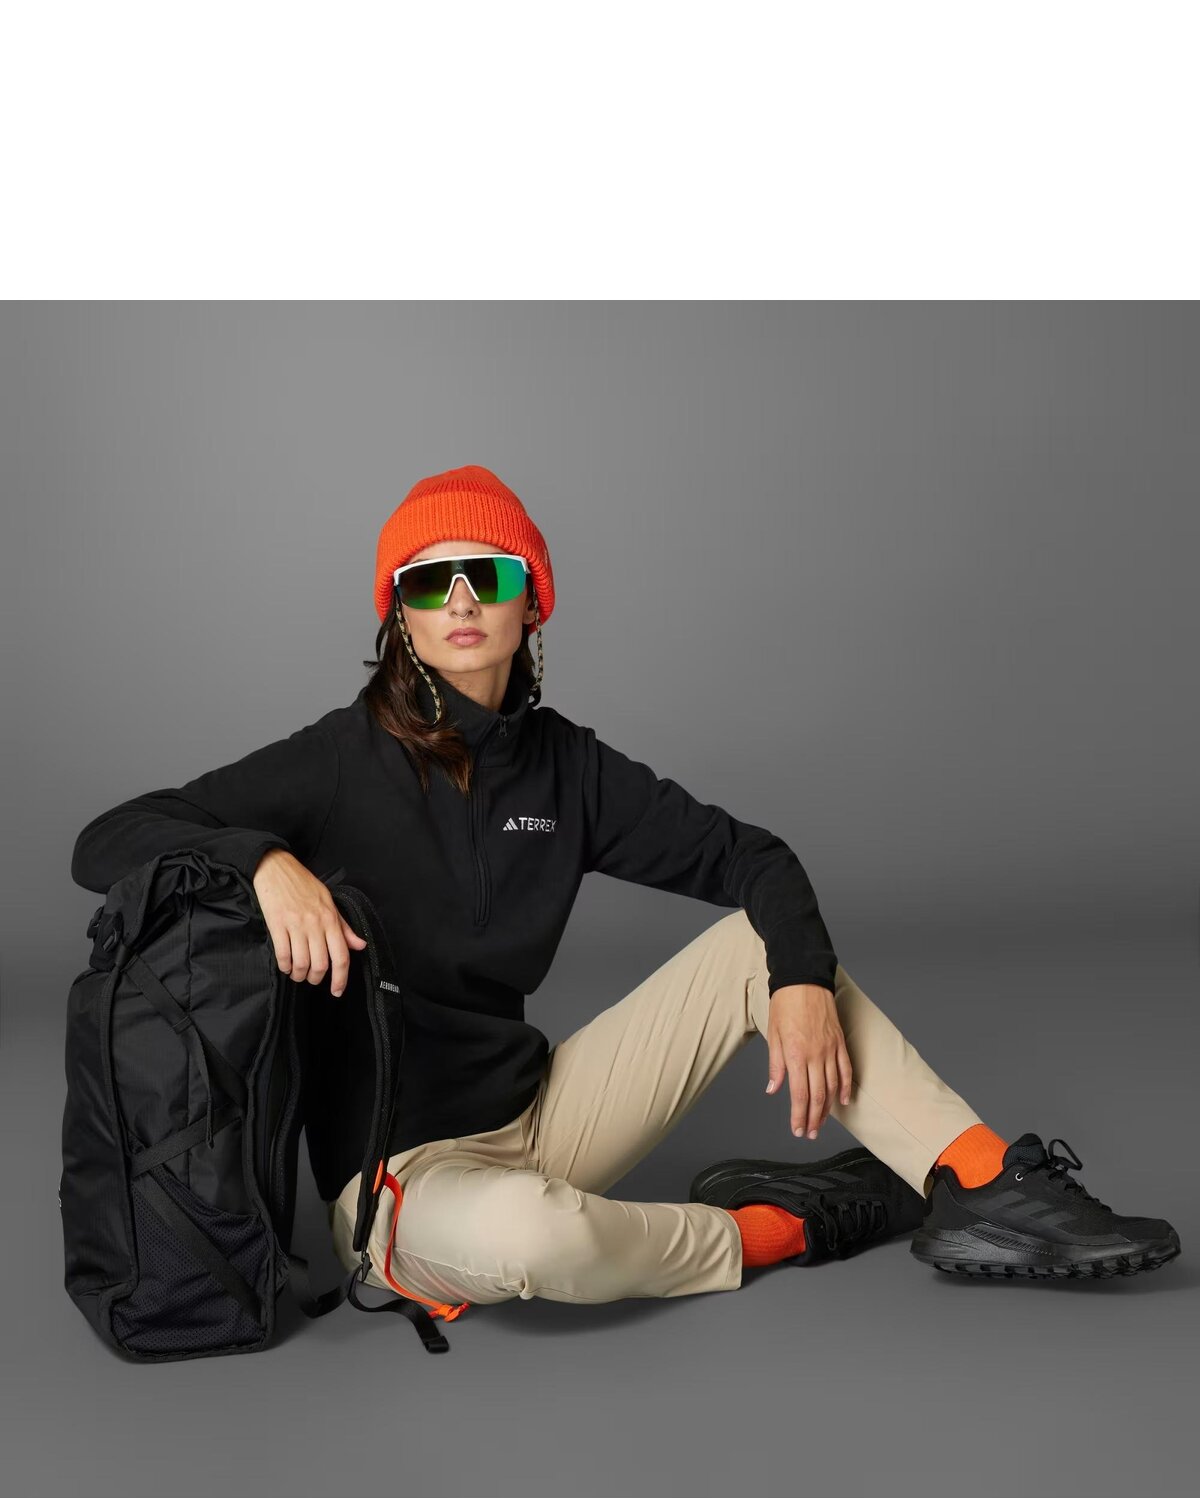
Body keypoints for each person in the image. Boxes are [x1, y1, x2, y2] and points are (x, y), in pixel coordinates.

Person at [71, 464, 1181, 1331]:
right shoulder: (333, 762)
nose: (459, 602)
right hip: (397, 1180)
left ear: (530, 603)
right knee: (539, 1244)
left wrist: (798, 982)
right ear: (398, 616)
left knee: (762, 946)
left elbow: (756, 859)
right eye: (427, 582)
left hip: (546, 1113)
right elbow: (109, 835)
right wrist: (264, 861)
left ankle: (983, 1183)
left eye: (486, 576)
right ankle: (785, 1227)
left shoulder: (568, 769)